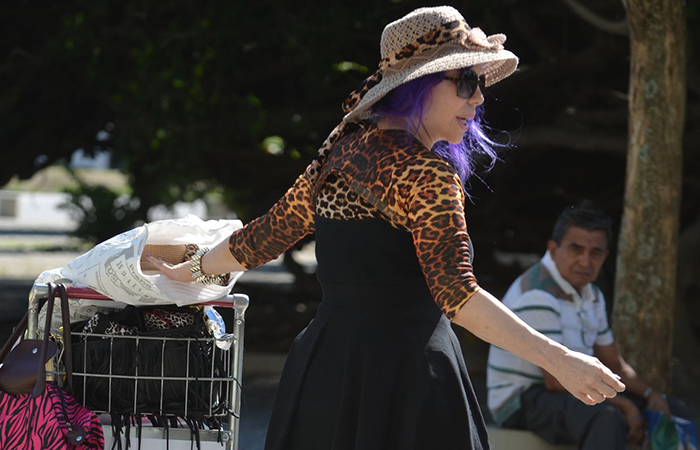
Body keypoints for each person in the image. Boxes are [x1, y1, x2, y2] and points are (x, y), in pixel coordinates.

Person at [148, 7, 624, 450]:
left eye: (480, 82)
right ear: (420, 84)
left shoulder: (338, 154)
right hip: (411, 379)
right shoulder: (427, 174)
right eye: (465, 81)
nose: (479, 96)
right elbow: (457, 297)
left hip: (327, 372)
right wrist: (559, 359)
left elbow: (264, 236)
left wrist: (181, 272)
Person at [487, 202, 687, 449]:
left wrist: (650, 395)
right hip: (520, 399)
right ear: (552, 249)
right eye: (576, 249)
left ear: (605, 256)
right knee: (605, 418)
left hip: (570, 387)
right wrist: (624, 405)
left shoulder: (591, 294)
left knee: (674, 409)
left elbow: (614, 364)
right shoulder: (538, 294)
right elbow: (556, 379)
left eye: (595, 253)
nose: (585, 260)